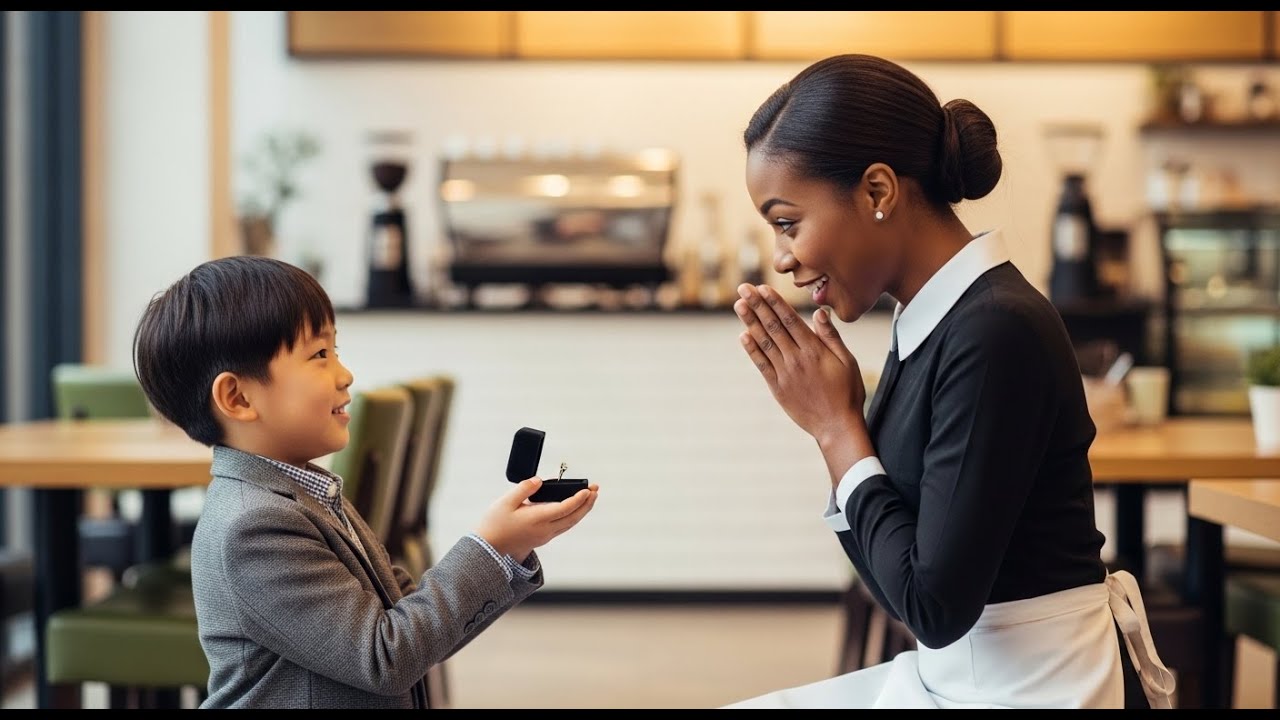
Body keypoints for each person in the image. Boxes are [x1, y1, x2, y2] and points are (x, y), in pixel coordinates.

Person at [724, 54, 1174, 709]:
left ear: (878, 191)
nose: (782, 257)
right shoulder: (931, 320)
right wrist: (840, 424)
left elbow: (933, 607)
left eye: (787, 221)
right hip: (964, 674)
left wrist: (836, 430)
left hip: (1038, 688)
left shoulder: (995, 330)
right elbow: (900, 585)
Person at [132, 256, 600, 709]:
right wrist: (492, 544)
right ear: (237, 397)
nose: (345, 373)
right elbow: (386, 656)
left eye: (335, 349)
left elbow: (412, 628)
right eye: (318, 354)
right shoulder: (252, 527)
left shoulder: (309, 493)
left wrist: (508, 547)